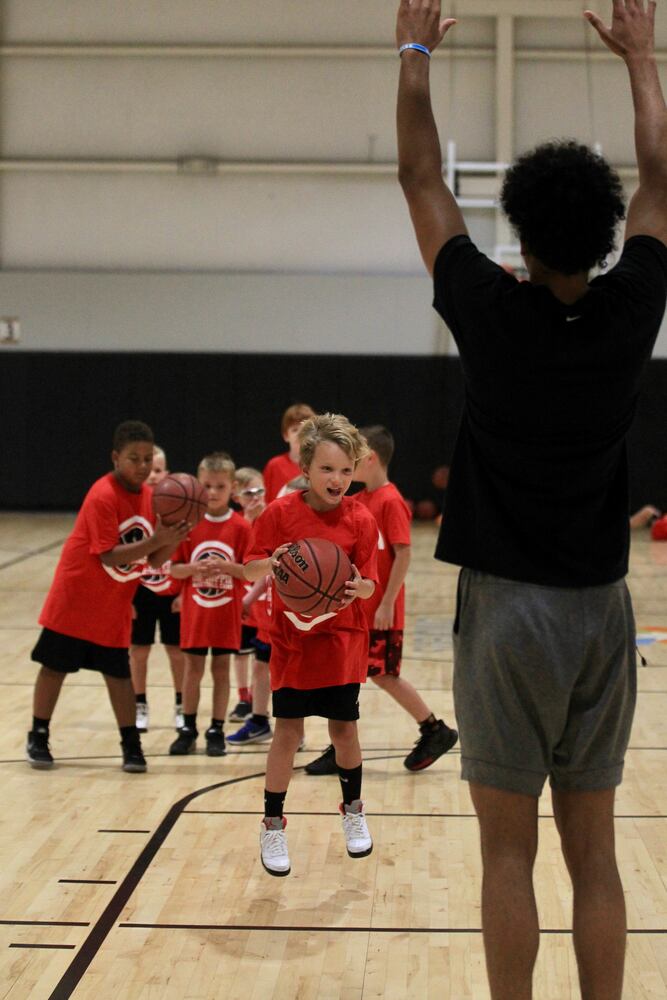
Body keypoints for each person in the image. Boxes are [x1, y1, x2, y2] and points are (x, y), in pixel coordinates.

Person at [395, 2, 667, 999]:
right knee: (592, 853)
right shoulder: (634, 307)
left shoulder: (488, 308)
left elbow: (420, 179)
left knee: (504, 854)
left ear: (520, 232)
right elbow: (662, 181)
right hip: (599, 606)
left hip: (505, 612)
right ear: (603, 236)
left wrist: (414, 56)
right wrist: (642, 57)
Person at [244, 413, 379, 876]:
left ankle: (354, 812)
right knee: (289, 732)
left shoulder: (361, 518)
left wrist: (358, 587)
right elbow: (249, 569)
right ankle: (273, 823)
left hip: (342, 638)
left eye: (346, 470)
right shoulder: (279, 515)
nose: (338, 479)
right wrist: (271, 564)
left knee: (344, 732)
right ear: (306, 467)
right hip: (294, 640)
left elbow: (370, 584)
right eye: (327, 469)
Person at [26, 421, 189, 772]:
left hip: (114, 600)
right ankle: (38, 735)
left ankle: (131, 745)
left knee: (119, 675)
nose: (142, 466)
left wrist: (175, 536)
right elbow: (110, 555)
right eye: (134, 458)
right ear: (116, 457)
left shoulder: (149, 497)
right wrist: (157, 539)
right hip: (77, 595)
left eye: (147, 458)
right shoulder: (103, 495)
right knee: (54, 667)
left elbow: (153, 560)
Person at [305, 425, 458, 775]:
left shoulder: (390, 500)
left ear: (369, 458)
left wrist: (388, 602)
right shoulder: (357, 501)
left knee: (384, 675)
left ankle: (435, 729)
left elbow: (403, 553)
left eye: (352, 460)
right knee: (347, 677)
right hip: (356, 610)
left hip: (380, 611)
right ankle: (341, 745)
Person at [168, 452, 251, 757]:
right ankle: (187, 729)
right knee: (193, 669)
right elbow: (173, 569)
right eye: (208, 486)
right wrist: (194, 569)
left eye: (220, 486)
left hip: (226, 613)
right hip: (195, 613)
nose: (213, 493)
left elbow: (249, 571)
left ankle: (216, 728)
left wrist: (228, 568)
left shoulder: (241, 528)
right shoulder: (187, 524)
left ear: (233, 488)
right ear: (198, 486)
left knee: (221, 670)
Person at [130, 445, 185, 732]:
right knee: (139, 651)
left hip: (172, 593)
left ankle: (180, 703)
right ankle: (139, 703)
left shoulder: (178, 506)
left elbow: (189, 553)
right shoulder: (133, 506)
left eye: (159, 470)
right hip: (140, 590)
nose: (153, 475)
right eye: (149, 470)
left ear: (168, 473)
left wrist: (186, 593)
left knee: (176, 651)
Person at [227, 467, 273, 744]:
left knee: (271, 665)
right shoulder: (238, 525)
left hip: (266, 604)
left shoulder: (270, 521)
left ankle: (292, 729)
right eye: (248, 493)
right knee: (252, 658)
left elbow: (269, 571)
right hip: (247, 602)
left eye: (259, 491)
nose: (255, 498)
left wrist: (250, 597)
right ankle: (251, 707)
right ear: (237, 496)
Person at [263, 403, 316, 503]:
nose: (300, 434)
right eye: (295, 430)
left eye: (305, 429)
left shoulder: (320, 464)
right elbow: (266, 503)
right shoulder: (274, 465)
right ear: (286, 435)